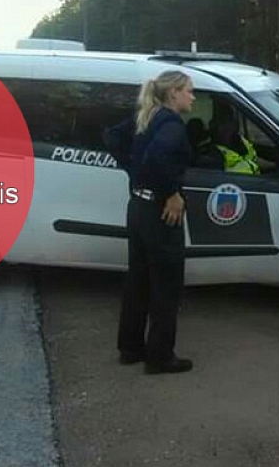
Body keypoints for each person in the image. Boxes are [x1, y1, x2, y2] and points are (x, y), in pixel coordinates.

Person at [103, 70, 196, 374]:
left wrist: (134, 174)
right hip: (159, 213)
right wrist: (170, 192)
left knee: (138, 282)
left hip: (138, 209)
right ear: (173, 94)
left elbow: (112, 138)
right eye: (189, 91)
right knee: (166, 287)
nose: (192, 97)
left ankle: (130, 348)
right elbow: (158, 158)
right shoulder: (171, 124)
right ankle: (159, 356)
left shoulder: (147, 115)